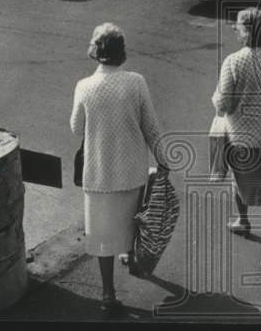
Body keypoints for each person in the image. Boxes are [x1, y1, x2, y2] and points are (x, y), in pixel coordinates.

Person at [71, 23, 168, 313]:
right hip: (132, 169)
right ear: (121, 51)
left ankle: (107, 294)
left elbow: (77, 129)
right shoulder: (136, 81)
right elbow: (151, 126)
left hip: (99, 173)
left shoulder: (84, 87)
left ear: (94, 51)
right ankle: (131, 256)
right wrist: (164, 160)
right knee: (132, 220)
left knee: (102, 234)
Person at [213, 7, 261, 273]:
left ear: (247, 31)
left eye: (238, 26)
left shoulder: (233, 62)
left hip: (242, 137)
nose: (235, 29)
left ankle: (243, 220)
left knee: (239, 179)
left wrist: (217, 102)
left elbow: (223, 103)